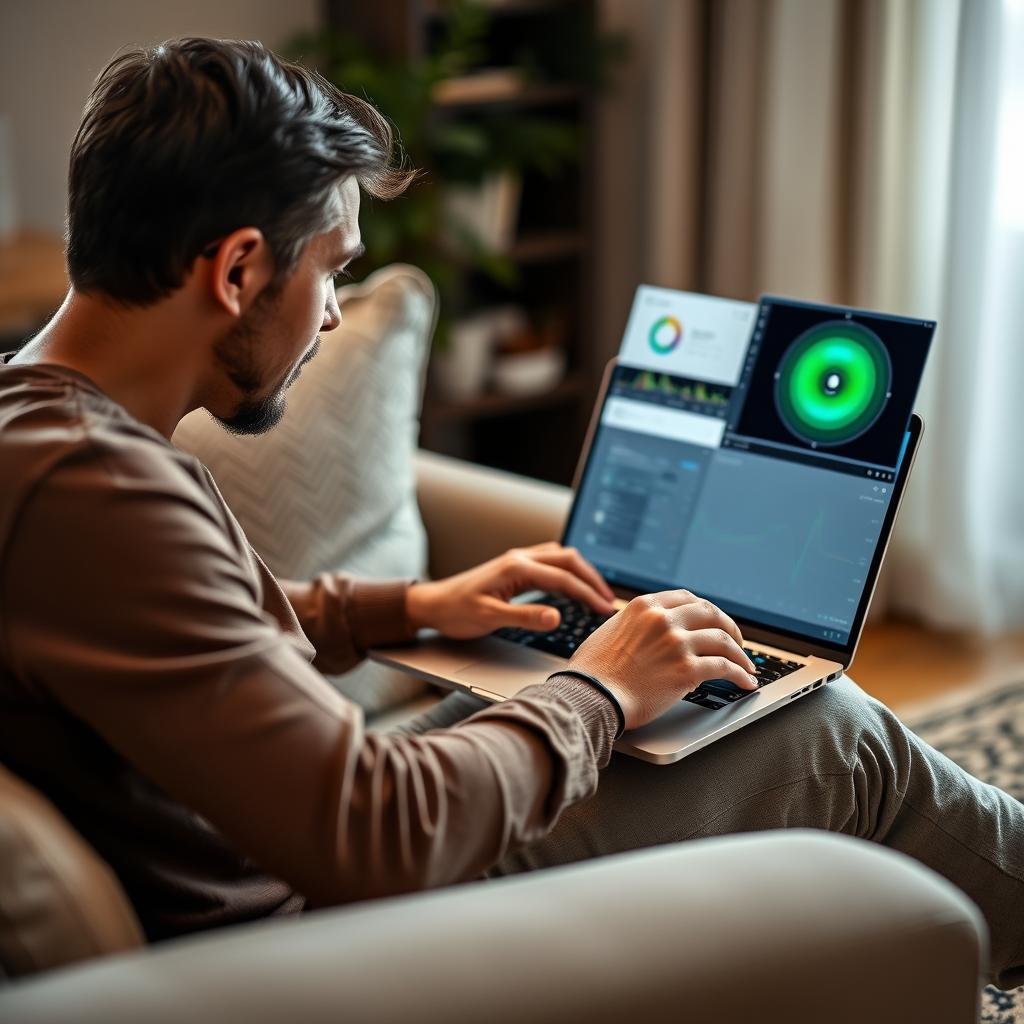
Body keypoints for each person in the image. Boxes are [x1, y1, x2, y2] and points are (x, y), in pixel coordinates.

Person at [0, 37, 1020, 990]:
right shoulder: (96, 491)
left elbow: (190, 633)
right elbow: (375, 831)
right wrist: (599, 691)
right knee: (830, 734)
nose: (329, 313)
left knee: (645, 703)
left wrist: (413, 604)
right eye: (333, 268)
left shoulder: (43, 427)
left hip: (297, 848)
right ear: (235, 270)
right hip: (331, 935)